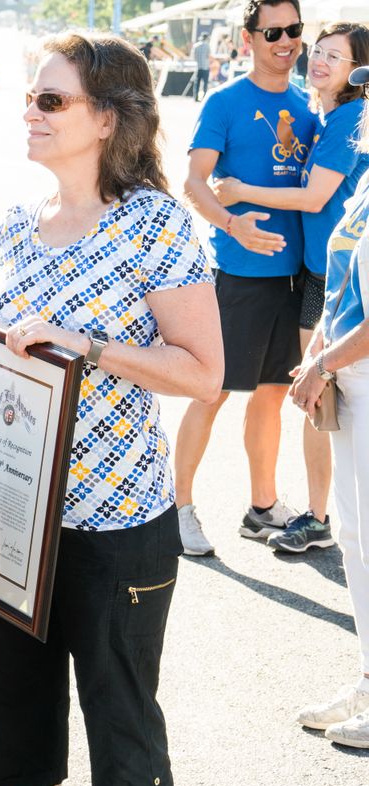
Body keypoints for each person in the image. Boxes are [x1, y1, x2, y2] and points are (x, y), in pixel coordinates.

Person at [0, 32, 222, 786]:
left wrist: (91, 347)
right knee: (22, 747)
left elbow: (204, 373)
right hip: (4, 523)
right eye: (30, 98)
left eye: (50, 100)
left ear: (108, 118)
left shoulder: (158, 225)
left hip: (116, 530)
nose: (31, 112)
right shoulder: (15, 226)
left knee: (126, 746)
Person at [212, 22, 369, 554]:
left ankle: (320, 517)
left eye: (335, 57)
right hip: (315, 272)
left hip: (335, 280)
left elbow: (313, 197)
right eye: (318, 51)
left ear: (358, 71)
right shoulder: (322, 115)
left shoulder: (348, 119)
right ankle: (322, 513)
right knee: (317, 395)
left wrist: (238, 191)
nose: (318, 61)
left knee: (319, 394)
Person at [174, 0, 317, 556]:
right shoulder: (225, 101)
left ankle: (262, 508)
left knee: (273, 395)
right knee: (211, 391)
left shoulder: (308, 103)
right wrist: (233, 224)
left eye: (293, 30)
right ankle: (180, 510)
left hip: (296, 278)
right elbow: (193, 181)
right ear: (249, 38)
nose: (285, 41)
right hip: (239, 276)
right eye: (272, 32)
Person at [288, 65, 369, 748]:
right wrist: (319, 344)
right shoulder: (366, 179)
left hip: (360, 373)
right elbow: (341, 281)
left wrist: (322, 362)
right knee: (354, 536)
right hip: (352, 378)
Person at [191, 35, 211, 101]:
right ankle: (204, 97)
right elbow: (208, 55)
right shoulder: (207, 46)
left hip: (198, 67)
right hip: (205, 67)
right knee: (205, 83)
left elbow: (194, 57)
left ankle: (195, 97)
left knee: (197, 83)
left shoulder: (195, 46)